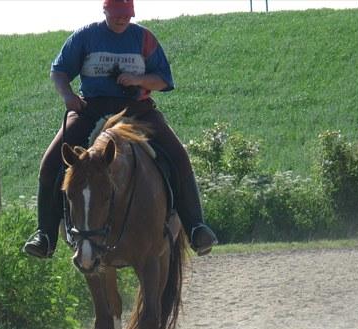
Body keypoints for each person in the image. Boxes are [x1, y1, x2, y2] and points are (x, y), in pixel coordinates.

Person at [23, 0, 217, 258]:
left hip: (137, 108)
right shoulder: (85, 37)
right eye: (116, 15)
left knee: (178, 155)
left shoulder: (144, 39)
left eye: (126, 15)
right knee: (50, 161)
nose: (121, 20)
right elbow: (58, 71)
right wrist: (68, 96)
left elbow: (163, 80)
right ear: (105, 11)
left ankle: (196, 228)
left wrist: (137, 79)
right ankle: (45, 235)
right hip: (91, 107)